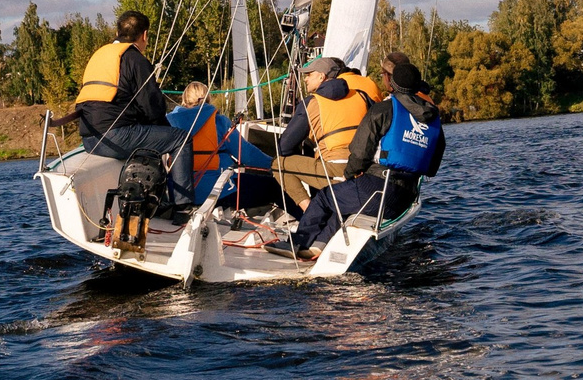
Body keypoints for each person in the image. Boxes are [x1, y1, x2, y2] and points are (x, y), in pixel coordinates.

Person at [279, 53, 440, 259]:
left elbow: (360, 151)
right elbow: (432, 167)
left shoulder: (383, 109)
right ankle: (318, 246)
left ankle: (298, 243)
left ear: (390, 81)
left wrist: (350, 175)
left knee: (326, 197)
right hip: (406, 198)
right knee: (345, 202)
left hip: (377, 189)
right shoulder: (433, 117)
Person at [73, 12, 184, 167]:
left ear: (117, 33)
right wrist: (166, 133)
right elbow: (153, 108)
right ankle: (181, 192)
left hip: (89, 140)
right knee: (181, 139)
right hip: (115, 138)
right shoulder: (136, 59)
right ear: (144, 35)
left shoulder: (98, 55)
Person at [166, 80, 278, 211]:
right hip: (219, 191)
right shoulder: (219, 122)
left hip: (178, 195)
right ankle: (305, 225)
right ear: (208, 97)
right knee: (276, 188)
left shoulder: (169, 122)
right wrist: (273, 164)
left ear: (184, 99)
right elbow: (246, 154)